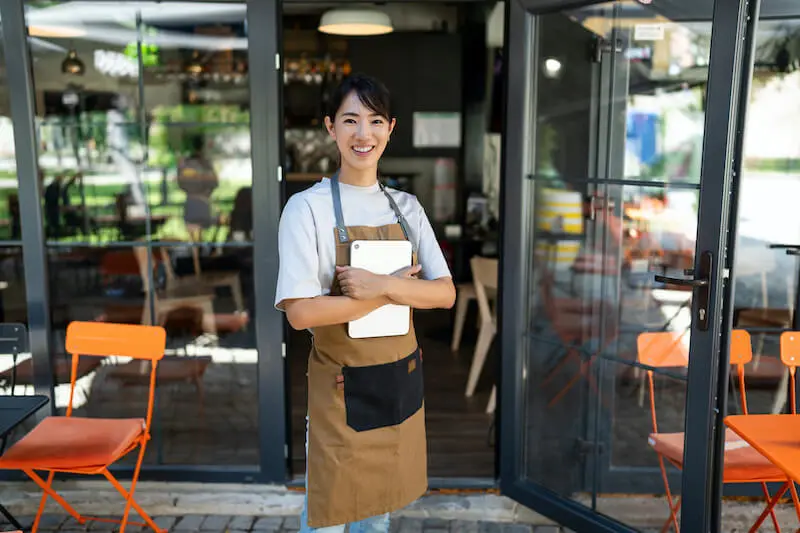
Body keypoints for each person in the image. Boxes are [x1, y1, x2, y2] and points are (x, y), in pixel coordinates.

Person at [274, 74, 455, 533]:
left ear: (390, 129)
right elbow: (301, 313)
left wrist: (380, 285)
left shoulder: (407, 208)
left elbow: (444, 293)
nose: (363, 134)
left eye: (375, 121)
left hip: (397, 383)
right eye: (350, 120)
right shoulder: (306, 209)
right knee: (330, 519)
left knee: (378, 520)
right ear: (330, 128)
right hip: (340, 388)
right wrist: (380, 294)